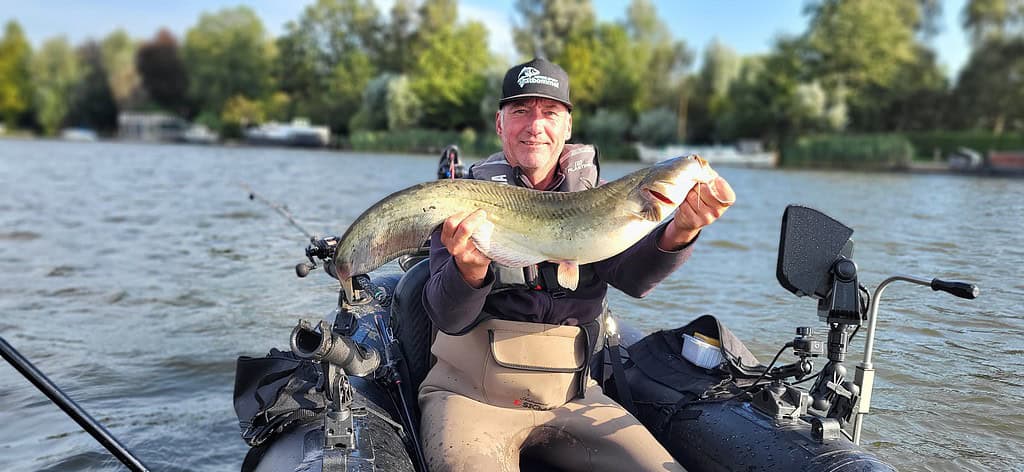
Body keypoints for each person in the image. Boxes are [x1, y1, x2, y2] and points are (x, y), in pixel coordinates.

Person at [417, 57, 735, 471]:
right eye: (521, 111)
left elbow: (634, 280)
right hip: (470, 396)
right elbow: (446, 315)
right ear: (500, 124)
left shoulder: (603, 199)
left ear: (567, 127)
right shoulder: (464, 200)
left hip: (576, 397)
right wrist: (469, 271)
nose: (535, 125)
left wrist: (682, 230)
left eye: (550, 113)